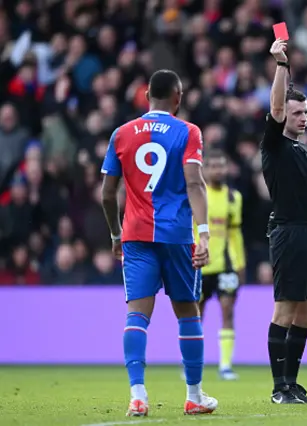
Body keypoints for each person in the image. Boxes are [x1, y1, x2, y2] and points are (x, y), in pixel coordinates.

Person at [101, 69, 218, 417]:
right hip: (176, 235)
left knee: (137, 315)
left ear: (146, 95)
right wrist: (205, 232)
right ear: (178, 97)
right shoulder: (188, 131)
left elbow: (107, 194)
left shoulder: (121, 134)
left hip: (136, 236)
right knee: (187, 312)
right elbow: (195, 184)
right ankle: (194, 396)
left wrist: (114, 234)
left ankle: (138, 396)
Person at [261, 38, 307, 404]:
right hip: (288, 233)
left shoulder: (302, 149)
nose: (303, 118)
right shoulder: (275, 144)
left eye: (306, 112)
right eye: (298, 113)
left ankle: (292, 383)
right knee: (285, 308)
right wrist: (282, 65)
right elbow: (276, 105)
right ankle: (277, 387)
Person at [196, 149, 245, 381]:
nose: (217, 170)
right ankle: (193, 361)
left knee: (228, 311)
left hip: (226, 265)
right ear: (204, 169)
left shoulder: (233, 198)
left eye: (221, 166)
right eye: (212, 166)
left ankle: (225, 365)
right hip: (199, 265)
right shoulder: (197, 196)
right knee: (196, 315)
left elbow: (235, 234)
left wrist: (241, 264)